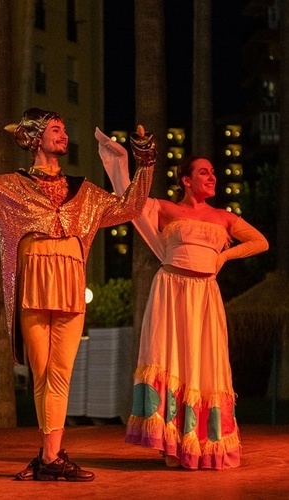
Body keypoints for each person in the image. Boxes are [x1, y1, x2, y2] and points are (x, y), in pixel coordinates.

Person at [0, 100, 155, 481]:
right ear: (36, 138)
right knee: (42, 373)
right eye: (56, 129)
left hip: (70, 282)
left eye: (64, 129)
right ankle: (51, 457)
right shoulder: (10, 187)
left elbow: (130, 207)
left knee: (61, 373)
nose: (64, 135)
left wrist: (146, 163)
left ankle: (49, 457)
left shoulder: (84, 192)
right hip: (33, 282)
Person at [97, 125, 269, 470]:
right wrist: (130, 160)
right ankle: (171, 443)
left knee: (203, 363)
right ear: (186, 180)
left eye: (213, 172)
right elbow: (128, 198)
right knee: (172, 357)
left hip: (205, 295)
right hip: (172, 290)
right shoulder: (164, 208)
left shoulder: (223, 217)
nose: (212, 176)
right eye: (204, 171)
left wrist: (223, 257)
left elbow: (260, 242)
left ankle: (200, 441)